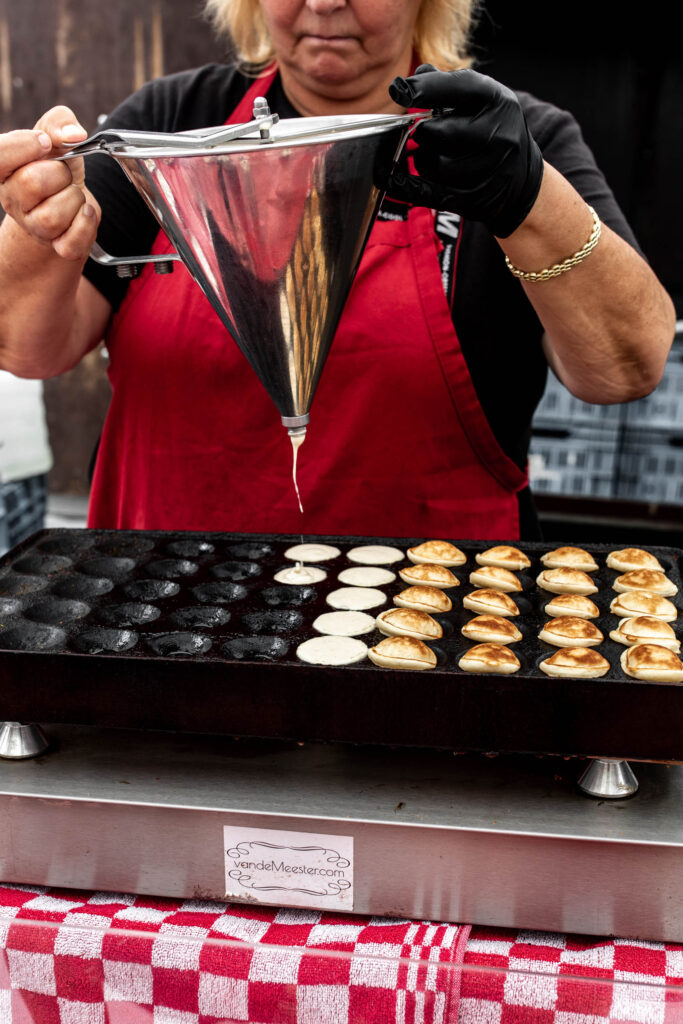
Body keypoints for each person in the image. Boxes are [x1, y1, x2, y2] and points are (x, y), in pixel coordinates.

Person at [0, 0, 675, 540]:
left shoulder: (497, 139)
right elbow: (29, 345)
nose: (323, 3)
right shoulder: (175, 124)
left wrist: (528, 198)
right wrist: (38, 225)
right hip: (162, 619)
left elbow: (624, 367)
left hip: (423, 634)